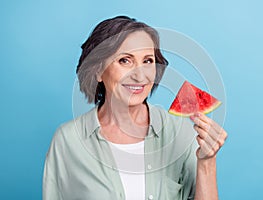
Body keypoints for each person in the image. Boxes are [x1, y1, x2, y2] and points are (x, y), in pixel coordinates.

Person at [43, 16, 227, 200]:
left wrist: (207, 162)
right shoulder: (67, 140)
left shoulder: (181, 133)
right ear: (98, 70)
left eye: (147, 61)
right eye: (125, 60)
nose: (140, 76)